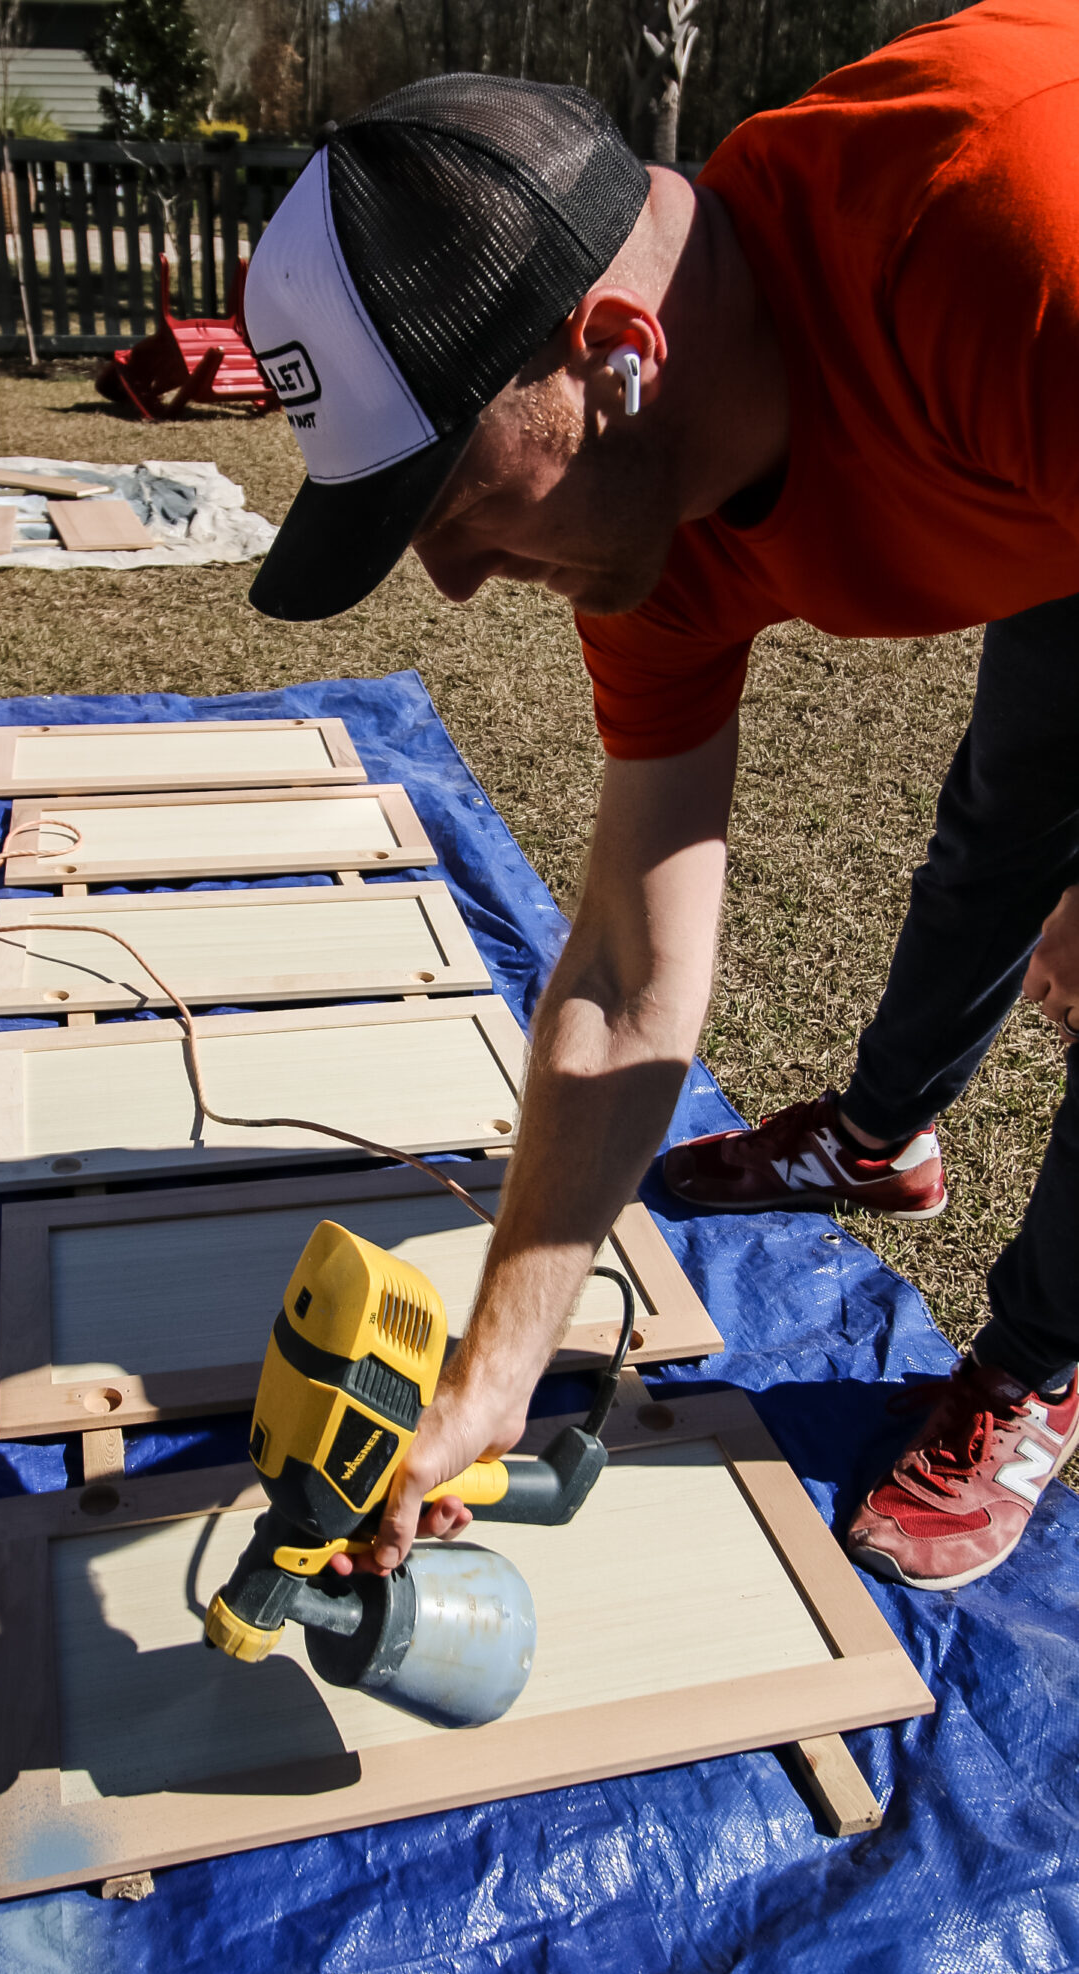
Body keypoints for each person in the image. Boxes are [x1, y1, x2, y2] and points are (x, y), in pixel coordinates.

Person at [243, 0, 1079, 1595]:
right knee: (1011, 820)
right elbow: (627, 984)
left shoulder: (1004, 240)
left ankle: (1036, 1363)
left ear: (613, 351)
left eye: (452, 500)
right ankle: (881, 1138)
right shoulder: (657, 537)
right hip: (1038, 464)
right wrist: (493, 1377)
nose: (457, 579)